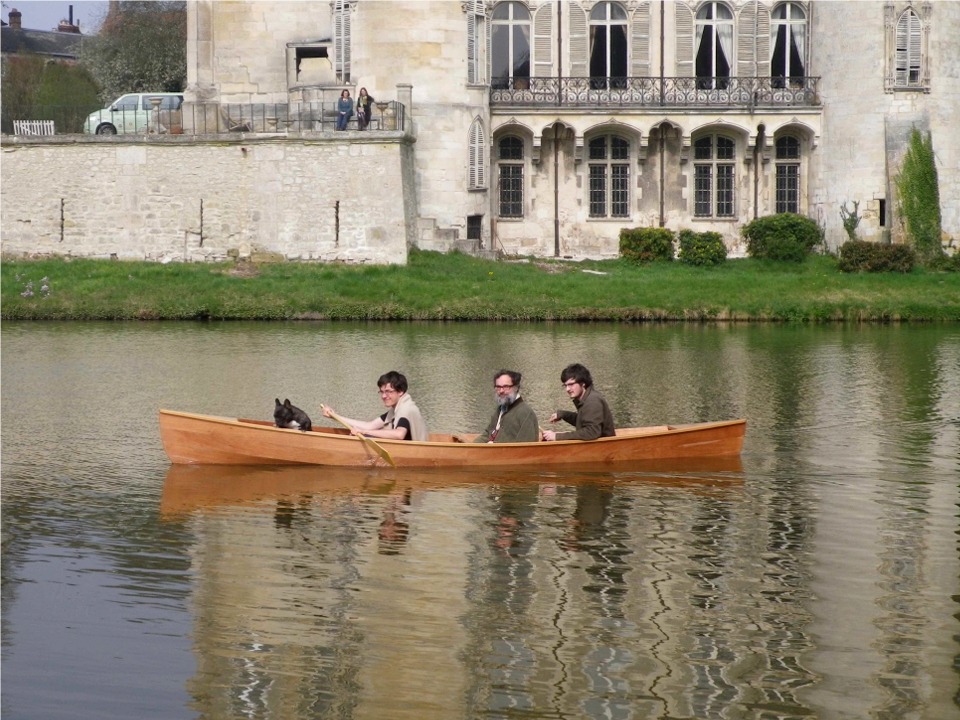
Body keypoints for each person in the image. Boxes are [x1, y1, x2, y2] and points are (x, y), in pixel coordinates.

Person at [322, 370, 428, 440]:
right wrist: (334, 416)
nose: (383, 396)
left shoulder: (406, 409)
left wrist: (364, 432)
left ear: (400, 391)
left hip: (418, 452)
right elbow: (370, 425)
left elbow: (399, 434)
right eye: (381, 392)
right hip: (407, 450)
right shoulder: (396, 408)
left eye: (388, 391)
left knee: (367, 434)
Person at [541, 363, 616, 441]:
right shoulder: (585, 398)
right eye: (565, 385)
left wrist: (557, 436)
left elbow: (592, 432)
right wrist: (563, 414)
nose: (567, 389)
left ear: (583, 383)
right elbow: (583, 421)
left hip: (603, 449)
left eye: (571, 384)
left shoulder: (592, 401)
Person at [473, 369, 540, 443]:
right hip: (491, 452)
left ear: (516, 388)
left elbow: (526, 446)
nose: (501, 391)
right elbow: (487, 434)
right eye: (498, 387)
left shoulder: (525, 413)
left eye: (506, 387)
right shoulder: (501, 409)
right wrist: (470, 448)